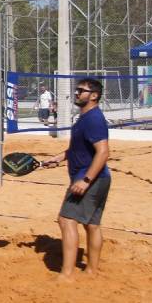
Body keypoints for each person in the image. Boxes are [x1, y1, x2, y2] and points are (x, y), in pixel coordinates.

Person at [42, 78, 110, 280]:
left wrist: (86, 180)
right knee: (92, 225)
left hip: (89, 179)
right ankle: (91, 271)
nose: (77, 93)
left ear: (94, 96)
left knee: (66, 220)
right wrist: (61, 157)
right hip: (101, 178)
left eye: (82, 90)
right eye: (77, 90)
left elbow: (103, 152)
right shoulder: (85, 117)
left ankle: (67, 274)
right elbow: (81, 148)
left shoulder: (93, 119)